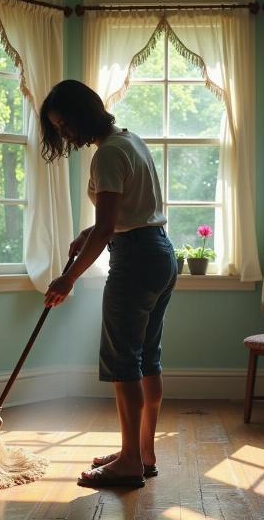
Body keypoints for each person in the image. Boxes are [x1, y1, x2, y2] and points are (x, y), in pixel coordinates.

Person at [40, 79, 177, 488]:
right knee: (146, 359)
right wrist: (89, 232)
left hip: (134, 260)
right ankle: (142, 452)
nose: (64, 133)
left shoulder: (107, 156)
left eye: (64, 124)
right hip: (159, 253)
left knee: (123, 363)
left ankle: (130, 462)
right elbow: (123, 215)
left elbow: (107, 229)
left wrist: (68, 278)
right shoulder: (129, 141)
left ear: (83, 114)